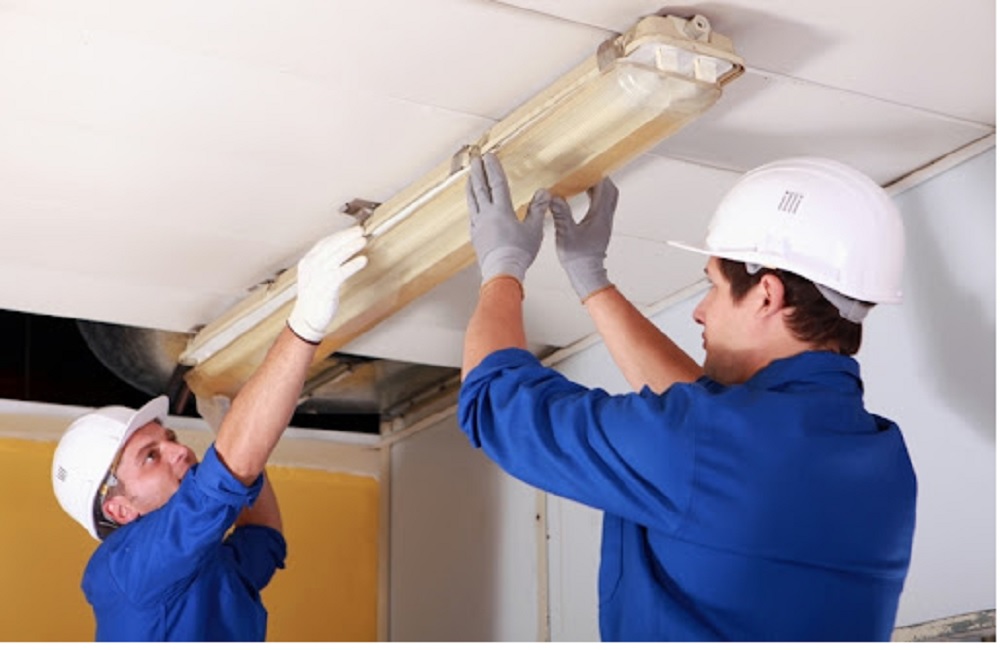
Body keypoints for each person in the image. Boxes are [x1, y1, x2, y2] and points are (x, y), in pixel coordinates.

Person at [458, 153, 917, 641]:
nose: (701, 311)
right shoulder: (883, 463)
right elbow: (713, 432)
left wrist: (502, 269)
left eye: (712, 286)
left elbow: (493, 400)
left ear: (767, 294)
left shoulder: (707, 444)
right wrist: (593, 282)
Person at [51, 225, 369, 641]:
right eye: (150, 456)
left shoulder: (198, 564)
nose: (180, 451)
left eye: (169, 440)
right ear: (121, 511)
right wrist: (304, 325)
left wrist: (230, 426)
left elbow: (263, 537)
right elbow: (221, 484)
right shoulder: (125, 569)